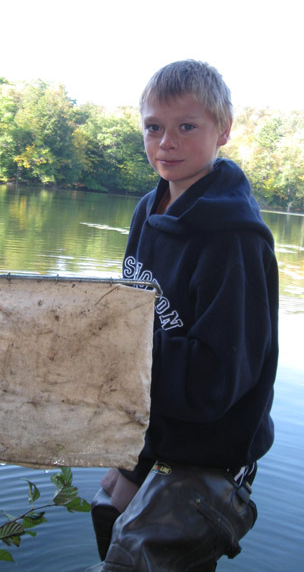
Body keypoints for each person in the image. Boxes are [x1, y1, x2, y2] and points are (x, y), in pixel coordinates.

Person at [87, 60, 279, 572]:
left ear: (224, 131)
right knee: (107, 513)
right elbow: (133, 319)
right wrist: (135, 457)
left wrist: (113, 350)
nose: (165, 142)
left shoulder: (233, 239)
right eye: (154, 127)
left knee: (134, 557)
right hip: (157, 432)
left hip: (208, 450)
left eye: (185, 127)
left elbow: (216, 380)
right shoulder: (147, 211)